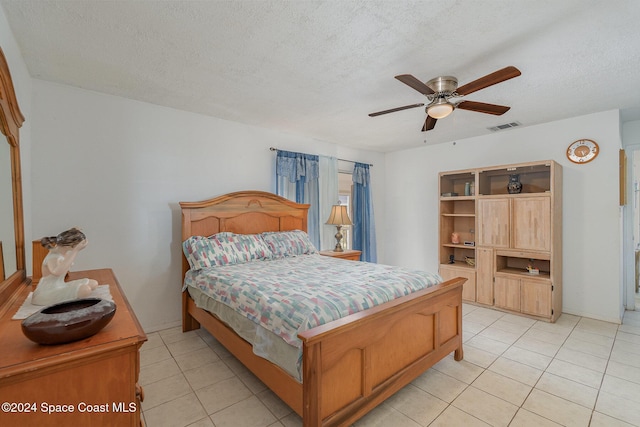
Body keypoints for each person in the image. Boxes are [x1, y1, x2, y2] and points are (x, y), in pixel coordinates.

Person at [31, 228, 98, 306]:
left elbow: (64, 241)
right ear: (69, 246)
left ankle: (69, 293)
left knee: (93, 283)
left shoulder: (61, 251)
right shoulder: (53, 257)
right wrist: (75, 251)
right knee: (85, 290)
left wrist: (72, 232)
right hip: (47, 292)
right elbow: (57, 272)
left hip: (60, 285)